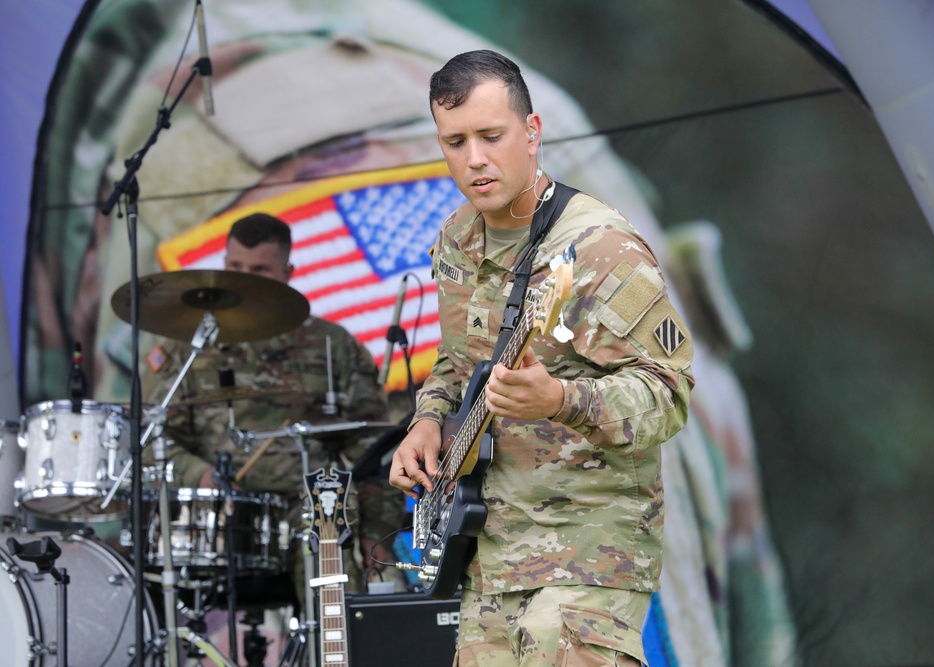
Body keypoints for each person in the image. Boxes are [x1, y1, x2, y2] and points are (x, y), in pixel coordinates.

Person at [389, 50, 696, 666]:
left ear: (531, 134)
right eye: (455, 141)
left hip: (589, 553)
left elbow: (669, 395)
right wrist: (426, 420)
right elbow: (456, 363)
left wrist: (562, 400)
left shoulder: (600, 247)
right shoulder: (455, 241)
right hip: (490, 550)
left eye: (491, 136)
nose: (474, 158)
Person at [142, 212, 404, 601]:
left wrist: (376, 534)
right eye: (235, 267)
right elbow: (153, 437)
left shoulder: (333, 346)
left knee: (330, 512)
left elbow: (374, 454)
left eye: (259, 270)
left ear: (287, 272)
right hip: (222, 516)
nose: (244, 279)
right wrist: (199, 475)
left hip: (311, 511)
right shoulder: (190, 350)